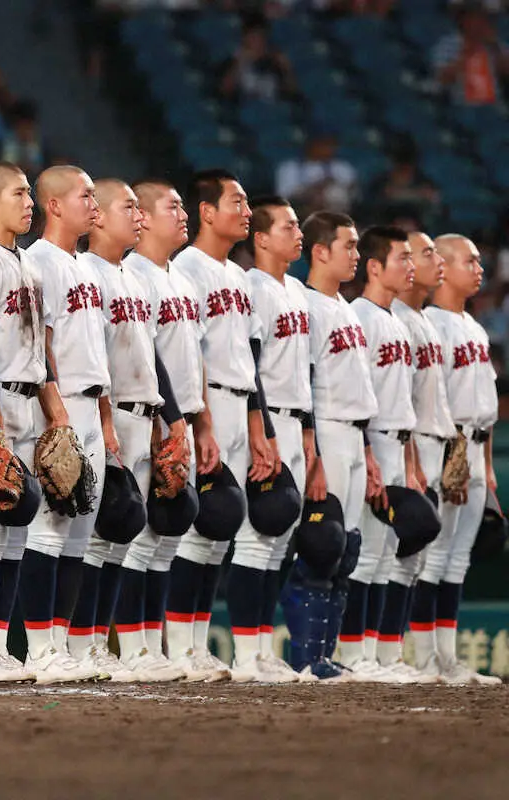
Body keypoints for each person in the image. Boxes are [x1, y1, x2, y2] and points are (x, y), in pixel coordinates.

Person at [171, 169, 275, 681]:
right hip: (205, 406)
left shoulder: (238, 275)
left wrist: (259, 426)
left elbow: (250, 359)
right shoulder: (187, 267)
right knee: (194, 528)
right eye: (236, 200)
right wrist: (201, 420)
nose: (246, 210)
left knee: (219, 530)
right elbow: (187, 352)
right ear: (206, 211)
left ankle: (195, 643)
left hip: (238, 404)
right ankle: (177, 647)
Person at [101, 179, 205, 682]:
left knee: (162, 535)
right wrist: (171, 419)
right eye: (174, 205)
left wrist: (184, 420)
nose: (181, 214)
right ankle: (129, 648)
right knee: (128, 534)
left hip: (161, 415)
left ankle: (147, 647)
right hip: (127, 412)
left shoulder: (170, 280)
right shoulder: (131, 270)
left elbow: (174, 360)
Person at [0, 161, 59, 682]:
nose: (30, 203)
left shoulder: (29, 264)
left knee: (17, 525)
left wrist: (53, 412)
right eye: (19, 194)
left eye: (30, 194)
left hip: (29, 399)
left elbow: (40, 348)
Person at [20, 165, 113, 683]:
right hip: (56, 404)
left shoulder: (85, 266)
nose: (93, 202)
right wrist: (54, 410)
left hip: (89, 403)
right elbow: (42, 343)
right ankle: (38, 648)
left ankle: (61, 642)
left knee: (78, 533)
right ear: (54, 205)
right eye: (85, 194)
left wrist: (103, 419)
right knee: (50, 530)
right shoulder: (40, 263)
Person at [300, 210, 383, 683]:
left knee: (346, 549)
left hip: (353, 432)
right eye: (348, 246)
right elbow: (305, 381)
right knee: (321, 546)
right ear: (321, 251)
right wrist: (312, 453)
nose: (356, 254)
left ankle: (325, 655)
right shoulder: (308, 306)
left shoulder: (347, 309)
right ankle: (308, 655)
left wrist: (369, 452)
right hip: (327, 428)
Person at [238, 196, 318, 680]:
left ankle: (263, 650)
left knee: (280, 541)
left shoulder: (299, 291)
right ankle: (247, 653)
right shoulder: (254, 287)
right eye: (288, 226)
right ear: (262, 238)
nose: (298, 233)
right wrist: (262, 429)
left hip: (295, 419)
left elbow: (305, 372)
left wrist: (308, 435)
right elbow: (251, 363)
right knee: (256, 538)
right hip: (267, 420)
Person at [419, 234, 501, 686]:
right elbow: (433, 399)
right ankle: (426, 658)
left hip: (474, 444)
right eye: (469, 260)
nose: (479, 267)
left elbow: (484, 404)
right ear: (444, 269)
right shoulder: (431, 323)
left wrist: (486, 468)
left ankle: (447, 660)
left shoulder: (474, 326)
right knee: (432, 557)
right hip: (446, 448)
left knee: (457, 560)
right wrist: (453, 456)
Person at [343, 225, 421, 683]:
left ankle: (376, 655)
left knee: (387, 554)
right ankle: (357, 654)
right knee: (367, 553)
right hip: (370, 441)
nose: (409, 266)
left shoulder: (395, 320)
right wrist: (369, 454)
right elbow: (359, 394)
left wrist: (408, 462)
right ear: (375, 267)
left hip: (398, 442)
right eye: (401, 258)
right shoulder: (360, 317)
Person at [391, 231, 457, 681]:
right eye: (426, 253)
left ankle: (413, 656)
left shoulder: (422, 319)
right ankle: (389, 653)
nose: (434, 261)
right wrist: (412, 459)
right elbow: (402, 400)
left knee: (419, 559)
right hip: (409, 446)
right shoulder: (396, 318)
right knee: (398, 554)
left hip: (434, 443)